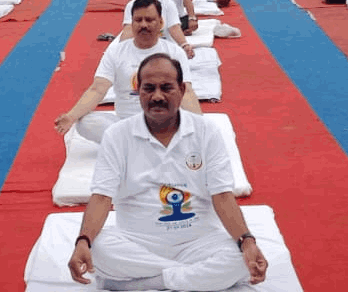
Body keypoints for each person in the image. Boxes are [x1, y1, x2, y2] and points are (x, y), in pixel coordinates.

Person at [66, 53, 268, 291]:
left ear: (182, 90)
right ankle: (195, 278)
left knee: (241, 258)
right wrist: (83, 240)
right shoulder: (117, 135)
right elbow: (101, 196)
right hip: (138, 242)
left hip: (198, 242)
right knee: (98, 248)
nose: (157, 96)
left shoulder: (207, 132)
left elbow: (222, 196)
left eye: (166, 88)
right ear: (138, 91)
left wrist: (247, 241)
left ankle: (147, 283)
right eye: (149, 88)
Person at [54, 0, 201, 143]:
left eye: (149, 20)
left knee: (187, 124)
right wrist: (71, 116)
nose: (143, 25)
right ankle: (146, 143)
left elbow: (186, 92)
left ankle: (139, 143)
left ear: (161, 23)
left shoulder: (174, 52)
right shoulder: (115, 52)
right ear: (132, 23)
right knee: (85, 122)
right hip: (126, 123)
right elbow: (97, 89)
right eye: (138, 20)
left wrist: (201, 126)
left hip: (163, 121)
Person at [120, 0, 194, 58]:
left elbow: (174, 27)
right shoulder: (131, 5)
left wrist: (184, 45)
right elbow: (129, 28)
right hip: (141, 47)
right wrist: (120, 49)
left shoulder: (168, 4)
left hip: (165, 46)